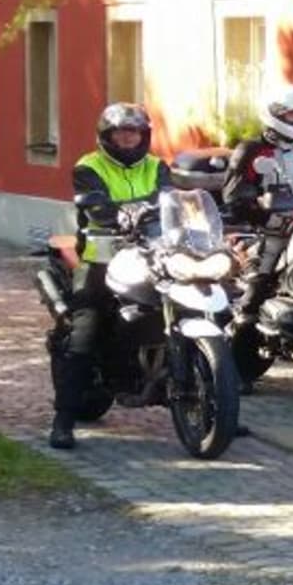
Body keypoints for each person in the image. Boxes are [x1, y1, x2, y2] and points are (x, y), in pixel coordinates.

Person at [48, 103, 172, 449]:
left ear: (144, 136)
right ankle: (63, 420)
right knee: (84, 332)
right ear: (107, 136)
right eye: (121, 133)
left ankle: (219, 403)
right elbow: (97, 207)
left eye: (134, 132)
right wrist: (131, 210)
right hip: (101, 258)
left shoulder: (157, 165)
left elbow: (169, 199)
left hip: (152, 254)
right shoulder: (89, 166)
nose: (128, 138)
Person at [222, 85, 293, 227]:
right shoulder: (251, 150)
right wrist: (267, 219)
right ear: (274, 113)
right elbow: (233, 199)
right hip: (268, 230)